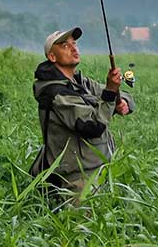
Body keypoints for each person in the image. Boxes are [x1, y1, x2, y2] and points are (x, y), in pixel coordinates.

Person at [29, 27, 134, 202]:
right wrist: (110, 93)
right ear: (52, 57)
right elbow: (92, 126)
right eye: (65, 46)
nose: (73, 48)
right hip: (77, 178)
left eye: (74, 43)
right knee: (83, 219)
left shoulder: (81, 82)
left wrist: (122, 102)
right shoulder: (56, 93)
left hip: (100, 170)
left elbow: (122, 95)